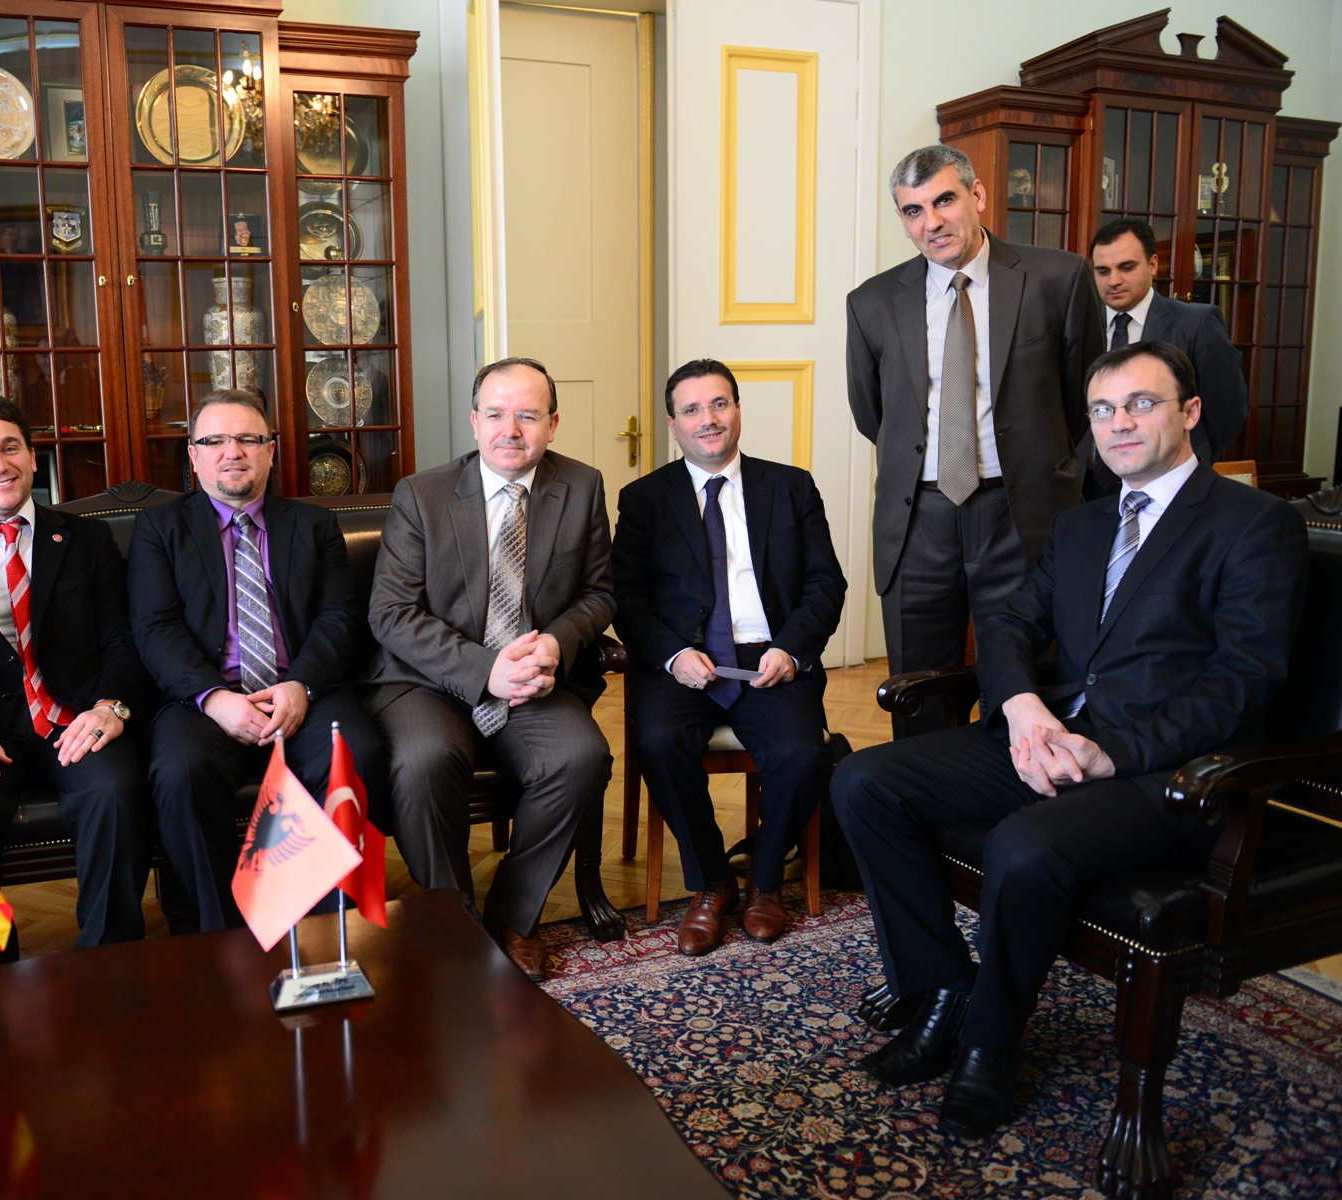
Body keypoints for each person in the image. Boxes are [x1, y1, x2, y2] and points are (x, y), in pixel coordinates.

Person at [830, 340, 1307, 1137]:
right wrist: (1022, 707)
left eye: (1141, 404)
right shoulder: (1081, 524)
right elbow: (1009, 622)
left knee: (1023, 844)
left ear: (1190, 411)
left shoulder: (1255, 524)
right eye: (1102, 410)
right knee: (864, 782)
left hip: (1172, 773)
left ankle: (989, 1042)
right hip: (1057, 733)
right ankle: (942, 990)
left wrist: (1112, 752)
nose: (1119, 424)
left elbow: (1243, 681)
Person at [363, 357, 616, 982]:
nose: (512, 429)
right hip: (428, 681)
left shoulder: (581, 486)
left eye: (528, 414)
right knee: (423, 762)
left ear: (553, 423)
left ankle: (512, 915)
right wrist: (484, 670)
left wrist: (556, 642)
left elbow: (599, 593)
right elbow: (390, 612)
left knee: (580, 757)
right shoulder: (421, 494)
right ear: (474, 422)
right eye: (497, 414)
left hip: (532, 678)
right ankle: (456, 924)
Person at [846, 144, 1105, 736]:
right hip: (918, 520)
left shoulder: (1057, 279)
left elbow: (1086, 398)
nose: (932, 222)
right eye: (913, 211)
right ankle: (925, 791)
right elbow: (874, 415)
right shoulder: (871, 303)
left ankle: (1015, 791)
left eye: (945, 200)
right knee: (920, 693)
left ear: (978, 196)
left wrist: (1041, 466)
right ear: (902, 221)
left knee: (1028, 690)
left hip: (1025, 516)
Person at [0, 393, 153, 970]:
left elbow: (123, 639)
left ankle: (109, 962)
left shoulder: (88, 540)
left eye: (10, 447)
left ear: (33, 458)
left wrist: (111, 706)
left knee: (116, 788)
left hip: (76, 719)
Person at [131, 389, 388, 932]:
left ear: (270, 450)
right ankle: (222, 933)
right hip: (204, 699)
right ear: (193, 455)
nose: (233, 452)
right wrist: (213, 698)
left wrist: (302, 686)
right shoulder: (159, 528)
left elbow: (338, 618)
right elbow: (156, 629)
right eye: (215, 440)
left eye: (248, 438)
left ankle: (328, 929)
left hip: (303, 691)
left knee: (355, 752)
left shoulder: (314, 524)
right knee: (179, 771)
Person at [612, 360, 846, 950]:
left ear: (737, 410)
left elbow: (826, 583)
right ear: (673, 424)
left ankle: (765, 880)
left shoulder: (790, 486)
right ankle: (713, 881)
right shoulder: (643, 499)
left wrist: (791, 648)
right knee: (660, 740)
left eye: (719, 404)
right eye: (691, 409)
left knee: (801, 753)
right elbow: (626, 599)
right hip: (685, 662)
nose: (708, 419)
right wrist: (672, 654)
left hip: (770, 657)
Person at [1082, 216, 1249, 496]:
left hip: (1172, 484)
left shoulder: (1196, 322)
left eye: (1126, 267)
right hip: (1089, 485)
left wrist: (1194, 460)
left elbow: (1229, 410)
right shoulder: (1080, 326)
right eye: (1102, 271)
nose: (1114, 280)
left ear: (1152, 264)